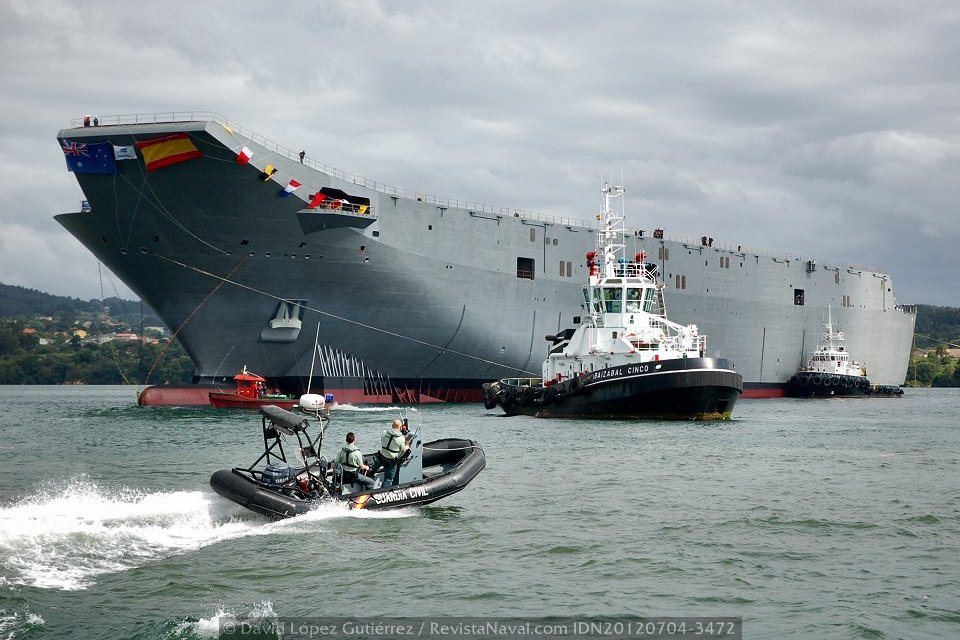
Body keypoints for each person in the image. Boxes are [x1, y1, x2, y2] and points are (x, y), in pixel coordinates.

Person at [376, 418, 409, 488]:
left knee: (375, 467)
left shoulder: (385, 432)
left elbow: (384, 440)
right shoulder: (401, 438)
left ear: (392, 425)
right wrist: (407, 446)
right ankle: (383, 493)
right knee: (388, 479)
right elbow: (403, 450)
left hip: (381, 456)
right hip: (390, 460)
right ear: (400, 427)